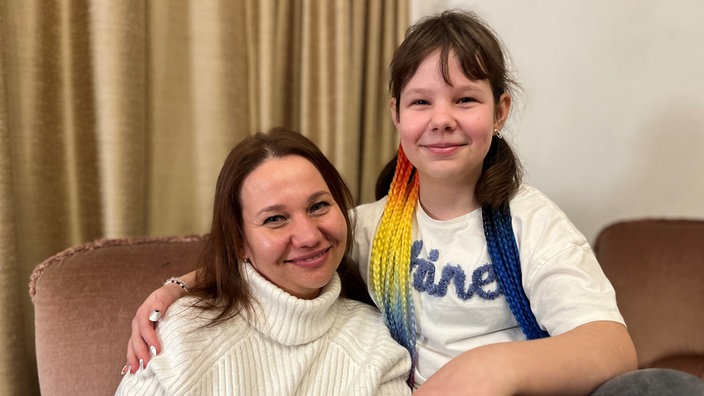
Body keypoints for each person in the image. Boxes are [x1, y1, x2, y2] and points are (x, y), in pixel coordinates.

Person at [124, 10, 704, 395]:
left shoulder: (529, 220)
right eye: (421, 101)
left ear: (500, 113)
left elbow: (611, 345)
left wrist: (487, 368)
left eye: (466, 99)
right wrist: (176, 288)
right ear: (396, 114)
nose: (443, 120)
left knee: (661, 387)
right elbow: (281, 250)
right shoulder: (370, 227)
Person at [116, 128, 412, 395]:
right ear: (239, 241)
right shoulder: (181, 334)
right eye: (275, 219)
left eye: (318, 206)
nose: (308, 236)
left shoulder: (376, 344)